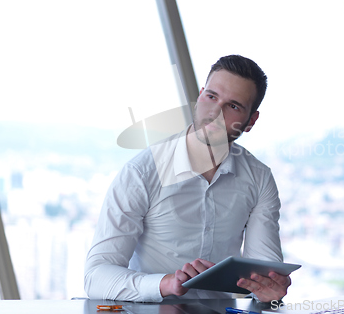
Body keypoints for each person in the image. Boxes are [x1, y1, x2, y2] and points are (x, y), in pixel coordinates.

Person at [84, 55, 291, 302]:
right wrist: (166, 283)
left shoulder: (259, 178)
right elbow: (95, 277)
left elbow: (264, 276)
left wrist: (269, 292)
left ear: (251, 121)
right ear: (199, 97)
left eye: (233, 106)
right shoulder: (141, 173)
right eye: (211, 97)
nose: (215, 112)